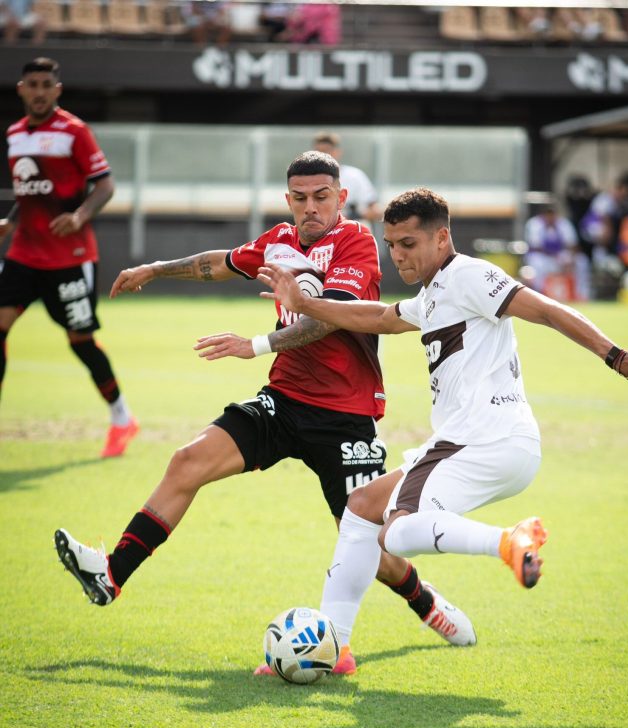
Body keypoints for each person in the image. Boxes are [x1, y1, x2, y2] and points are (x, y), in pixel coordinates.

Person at [53, 153, 475, 678]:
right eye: (300, 197)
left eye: (322, 196)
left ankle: (425, 603)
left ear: (341, 198)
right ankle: (111, 576)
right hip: (283, 401)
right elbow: (222, 261)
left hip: (344, 417)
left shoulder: (356, 243)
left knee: (375, 544)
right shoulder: (279, 239)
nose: (311, 207)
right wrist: (156, 269)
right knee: (187, 462)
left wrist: (255, 344)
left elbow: (327, 319)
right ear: (288, 200)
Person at [255, 187, 628, 656]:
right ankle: (338, 648)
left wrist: (615, 356)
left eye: (408, 244)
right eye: (391, 245)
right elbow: (377, 315)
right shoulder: (434, 294)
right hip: (487, 444)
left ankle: (508, 541)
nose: (398, 255)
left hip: (482, 440)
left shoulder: (469, 276)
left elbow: (548, 311)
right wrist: (306, 303)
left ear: (441, 238)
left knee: (395, 531)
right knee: (361, 508)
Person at [0, 57, 138, 458]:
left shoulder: (74, 131)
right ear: (21, 89)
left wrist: (79, 215)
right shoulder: (14, 135)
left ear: (56, 90)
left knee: (80, 341)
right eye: (33, 84)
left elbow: (105, 185)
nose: (39, 91)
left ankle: (121, 417)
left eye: (46, 84)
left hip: (70, 257)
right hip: (25, 251)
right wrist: (11, 220)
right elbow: (32, 194)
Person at [523, 201, 591, 299]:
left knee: (582, 261)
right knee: (537, 263)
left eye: (552, 214)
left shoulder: (563, 223)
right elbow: (536, 246)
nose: (550, 216)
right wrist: (554, 255)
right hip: (542, 257)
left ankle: (581, 294)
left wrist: (570, 258)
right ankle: (539, 295)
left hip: (560, 256)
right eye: (548, 214)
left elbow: (573, 245)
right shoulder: (534, 224)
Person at [312, 131, 382, 226]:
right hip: (326, 236)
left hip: (355, 234)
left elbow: (375, 211)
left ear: (337, 152)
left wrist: (353, 214)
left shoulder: (355, 176)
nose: (322, 156)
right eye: (318, 152)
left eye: (327, 151)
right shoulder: (310, 179)